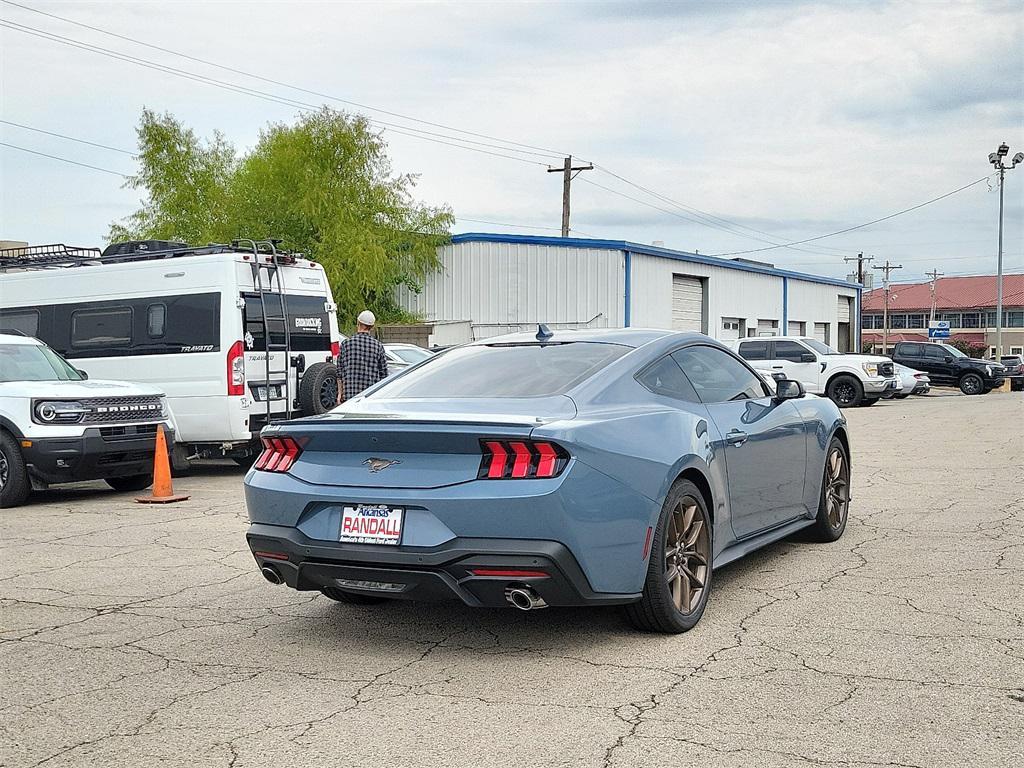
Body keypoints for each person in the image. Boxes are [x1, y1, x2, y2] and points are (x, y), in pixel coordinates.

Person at [337, 310, 388, 402]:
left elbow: (340, 372)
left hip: (350, 397)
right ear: (372, 327)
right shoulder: (378, 346)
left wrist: (340, 394)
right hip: (370, 397)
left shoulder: (346, 344)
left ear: (358, 323)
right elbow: (384, 374)